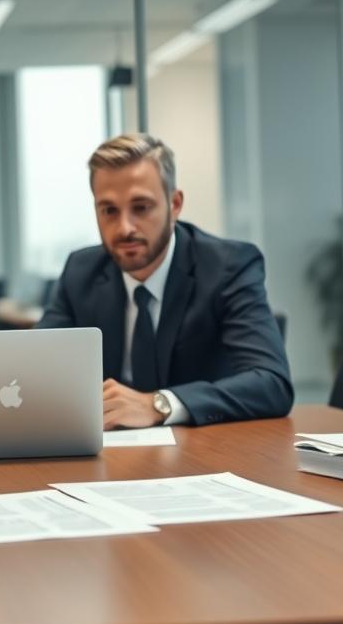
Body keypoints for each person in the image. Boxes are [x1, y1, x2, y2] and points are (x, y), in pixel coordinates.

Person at [37, 132, 292, 428]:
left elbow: (272, 383)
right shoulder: (81, 270)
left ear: (175, 204)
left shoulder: (228, 267)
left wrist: (159, 404)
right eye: (109, 210)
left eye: (141, 207)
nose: (125, 227)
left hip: (205, 455)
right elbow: (36, 368)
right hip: (106, 455)